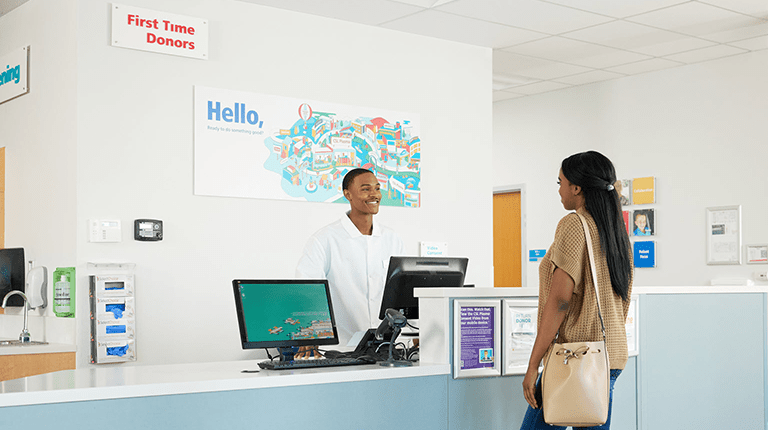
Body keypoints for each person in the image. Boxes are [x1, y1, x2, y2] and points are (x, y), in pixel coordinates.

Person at [520, 151, 633, 430]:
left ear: (577, 187)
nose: (558, 190)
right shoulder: (616, 233)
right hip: (609, 356)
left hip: (575, 357)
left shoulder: (574, 225)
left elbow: (559, 301)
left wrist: (534, 364)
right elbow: (621, 301)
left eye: (560, 182)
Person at [296, 168, 404, 346]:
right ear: (348, 194)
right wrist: (309, 338)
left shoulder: (392, 239)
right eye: (365, 189)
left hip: (387, 346)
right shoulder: (324, 239)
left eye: (377, 188)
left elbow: (403, 291)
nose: (374, 194)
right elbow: (307, 292)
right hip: (342, 348)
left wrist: (416, 333)